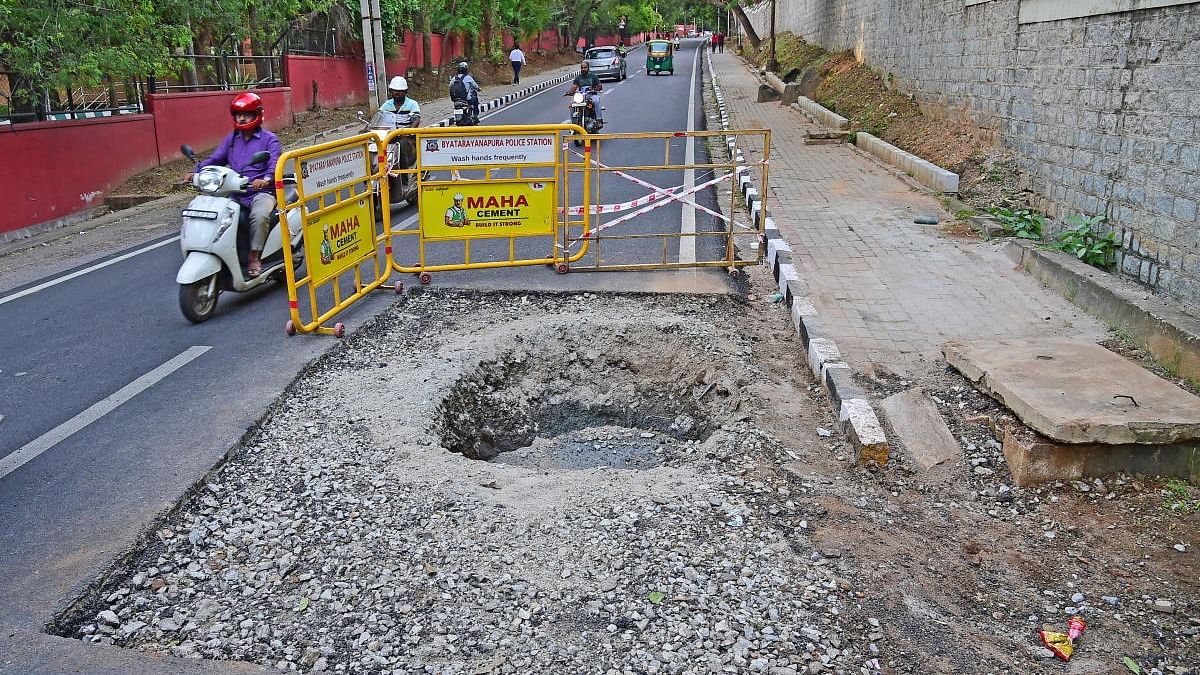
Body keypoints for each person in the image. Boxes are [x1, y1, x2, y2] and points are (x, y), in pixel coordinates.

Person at [186, 91, 281, 278]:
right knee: (217, 215)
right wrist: (196, 172)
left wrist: (266, 179)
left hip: (260, 193)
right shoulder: (232, 140)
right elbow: (216, 159)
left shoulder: (269, 139)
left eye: (246, 114)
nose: (242, 118)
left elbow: (275, 163)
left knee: (260, 215)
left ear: (257, 115)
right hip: (235, 192)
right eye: (238, 114)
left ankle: (254, 256)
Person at [566, 62, 603, 127]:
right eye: (582, 68)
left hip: (591, 95)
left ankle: (599, 120)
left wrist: (595, 89)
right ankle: (573, 123)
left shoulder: (593, 76)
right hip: (581, 96)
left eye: (585, 67)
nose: (583, 69)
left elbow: (599, 86)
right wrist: (570, 92)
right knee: (572, 104)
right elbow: (574, 87)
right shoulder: (578, 78)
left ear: (588, 68)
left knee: (596, 101)